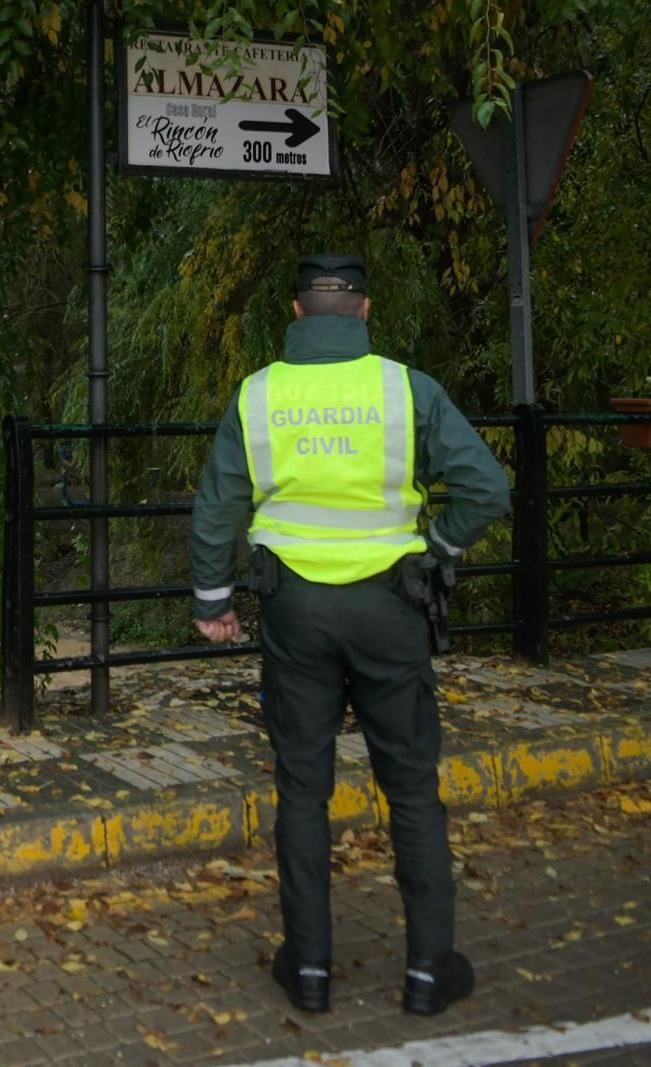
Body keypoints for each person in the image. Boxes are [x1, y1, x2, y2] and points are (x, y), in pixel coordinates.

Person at [189, 254, 508, 1016]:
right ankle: (430, 969)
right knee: (412, 789)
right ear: (364, 312)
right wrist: (439, 547)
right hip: (391, 610)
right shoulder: (406, 389)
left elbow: (215, 507)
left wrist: (212, 600)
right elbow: (487, 488)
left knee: (303, 787)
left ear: (296, 314)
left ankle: (309, 969)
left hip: (295, 611)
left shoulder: (259, 394)